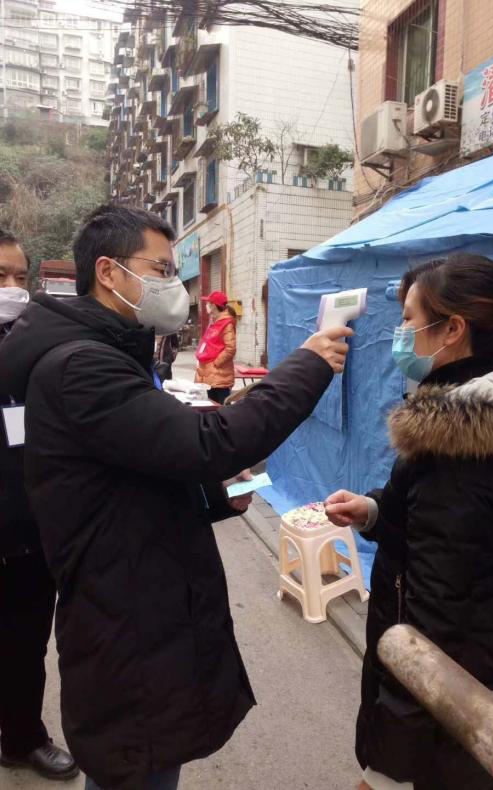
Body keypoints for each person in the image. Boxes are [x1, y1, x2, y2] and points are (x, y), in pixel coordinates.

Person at [0, 204, 352, 790]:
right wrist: (309, 366)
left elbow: (140, 465)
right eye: (161, 269)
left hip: (144, 598)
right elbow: (206, 444)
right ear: (108, 272)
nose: (173, 285)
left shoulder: (106, 351)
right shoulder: (81, 365)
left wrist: (214, 498)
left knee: (149, 757)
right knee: (138, 763)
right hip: (128, 619)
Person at [324, 254, 493, 790]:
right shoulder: (492, 416)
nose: (400, 334)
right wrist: (375, 510)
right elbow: (441, 533)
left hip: (444, 701)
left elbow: (434, 616)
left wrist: (389, 763)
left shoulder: (458, 445)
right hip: (484, 665)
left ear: (452, 330)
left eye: (409, 319)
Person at [0, 230, 78, 782]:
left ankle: (22, 738)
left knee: (26, 644)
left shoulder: (42, 341)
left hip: (29, 530)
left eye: (19, 277)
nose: (12, 287)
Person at [194, 291, 236, 404]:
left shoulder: (226, 324)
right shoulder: (215, 322)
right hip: (210, 373)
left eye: (208, 303)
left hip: (219, 374)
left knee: (222, 407)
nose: (206, 306)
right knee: (211, 405)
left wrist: (216, 363)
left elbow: (230, 348)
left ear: (213, 306)